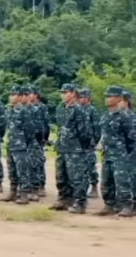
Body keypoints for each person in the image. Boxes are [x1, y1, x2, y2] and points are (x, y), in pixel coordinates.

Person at [49, 83, 93, 214]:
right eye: (62, 92)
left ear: (73, 93)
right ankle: (64, 199)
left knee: (77, 177)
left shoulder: (79, 110)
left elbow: (85, 132)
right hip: (62, 148)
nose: (63, 95)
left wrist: (80, 147)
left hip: (75, 149)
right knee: (61, 175)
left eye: (66, 92)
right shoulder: (61, 108)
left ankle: (80, 202)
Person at [95, 86, 135, 217]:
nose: (107, 98)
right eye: (106, 96)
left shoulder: (126, 116)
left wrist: (126, 154)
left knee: (123, 181)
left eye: (110, 96)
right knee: (106, 181)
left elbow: (132, 137)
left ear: (119, 98)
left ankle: (127, 206)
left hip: (122, 154)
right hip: (108, 153)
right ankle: (109, 204)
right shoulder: (106, 115)